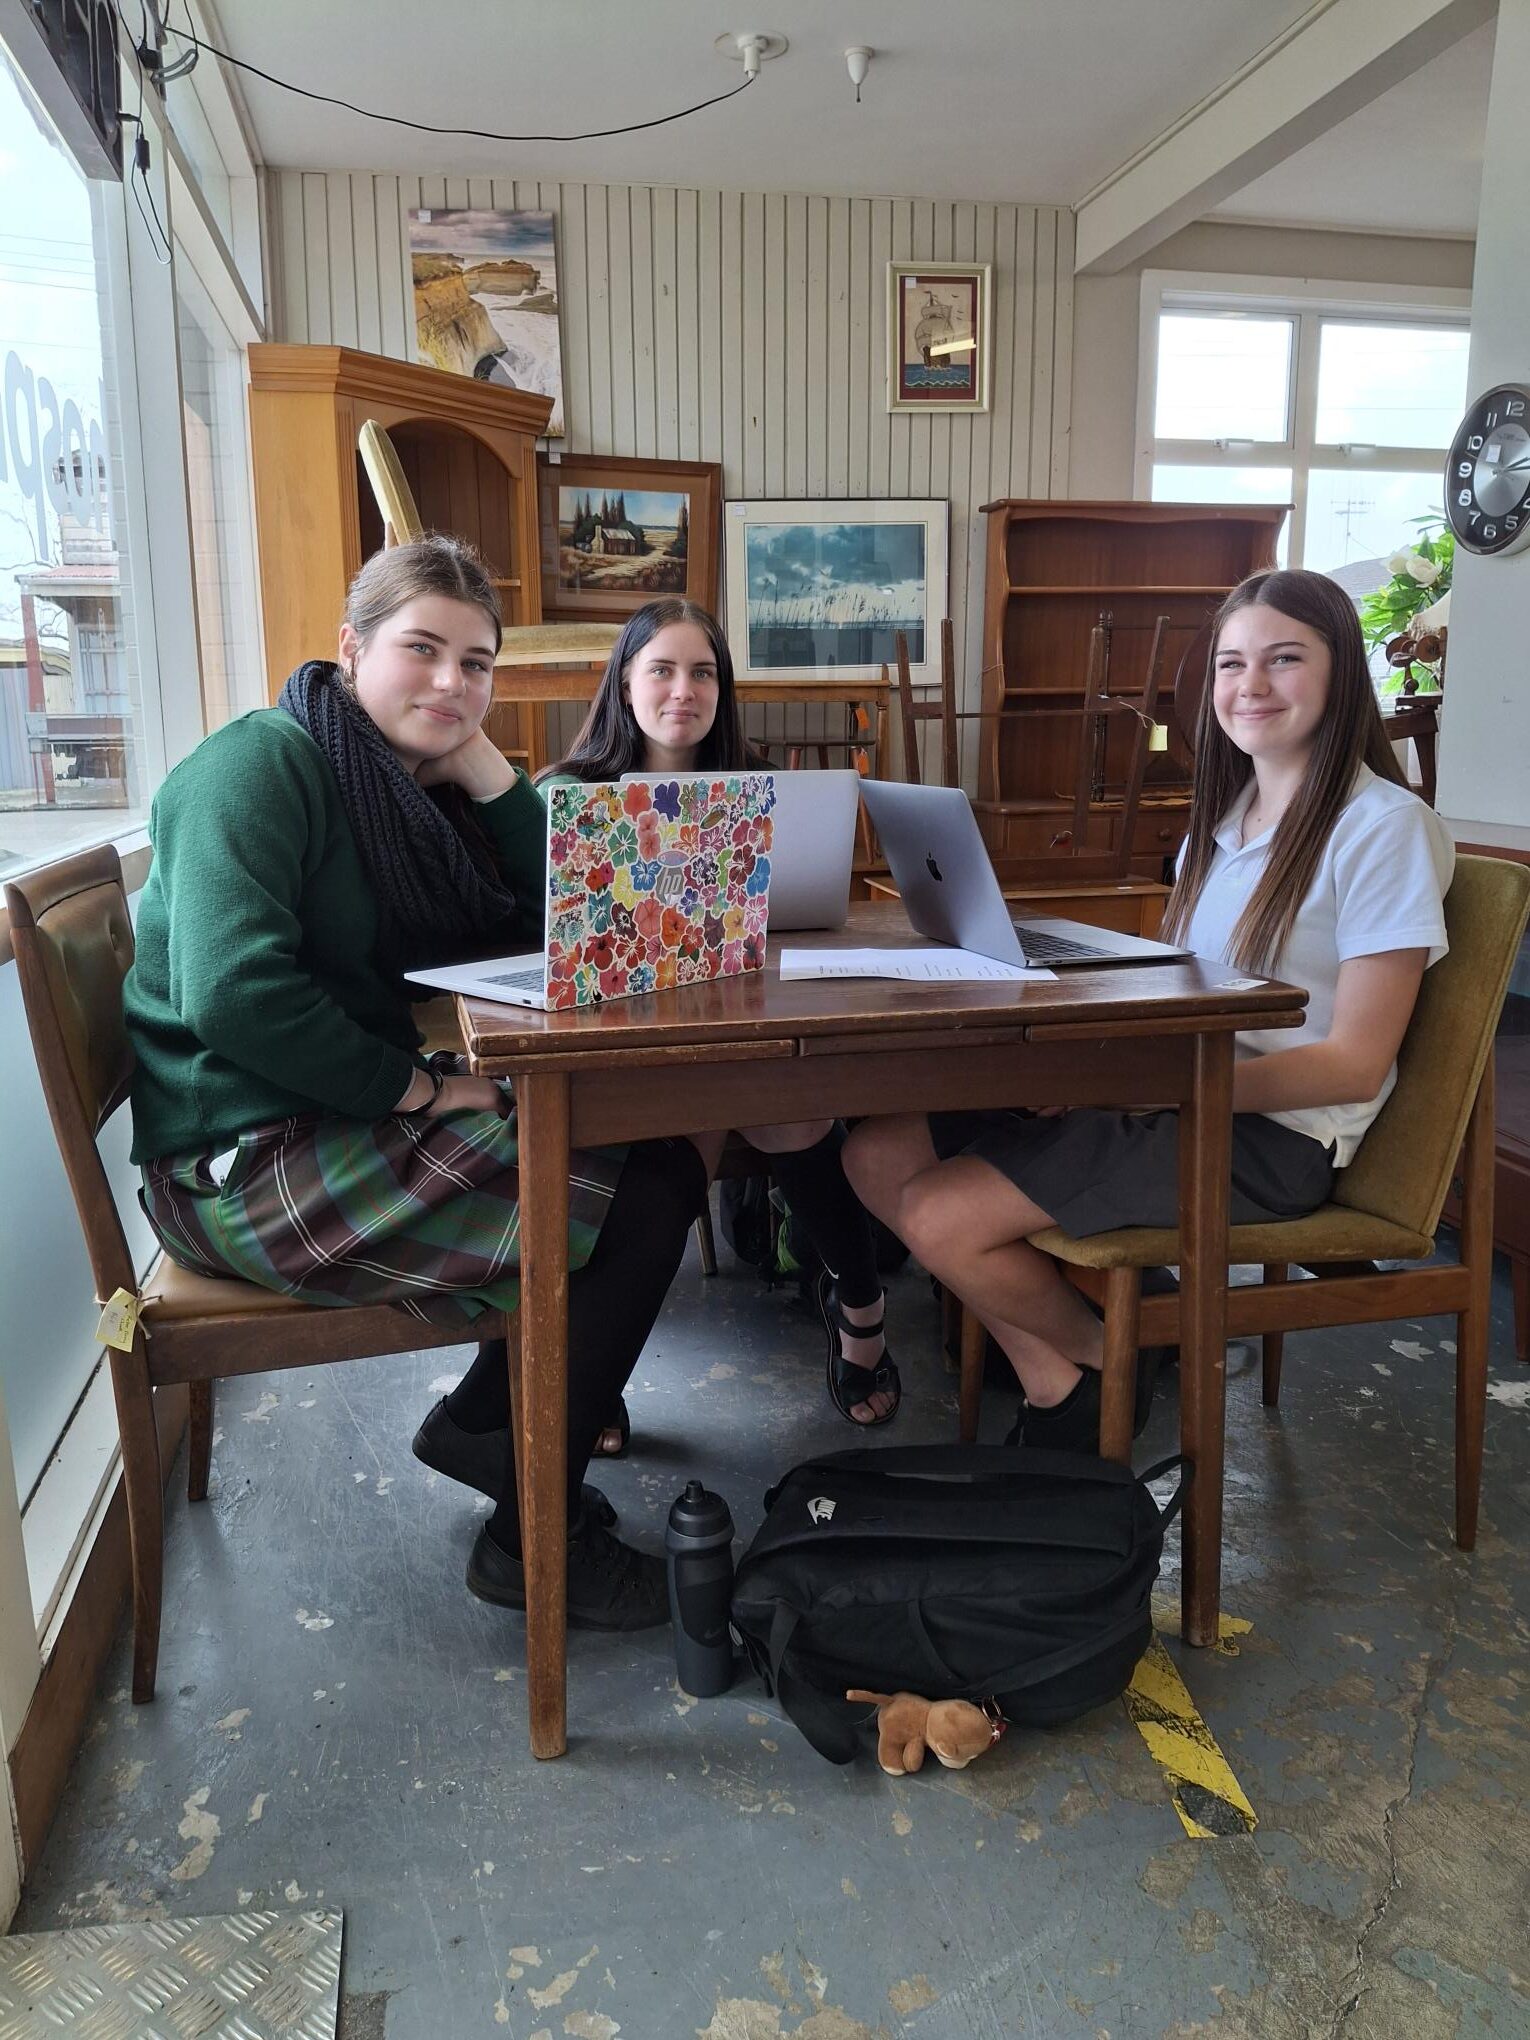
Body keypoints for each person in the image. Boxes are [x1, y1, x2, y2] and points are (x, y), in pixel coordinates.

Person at [125, 534, 709, 1631]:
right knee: (644, 1189)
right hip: (244, 1166)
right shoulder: (258, 765)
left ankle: (493, 1427)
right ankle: (532, 1535)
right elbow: (233, 997)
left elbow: (575, 916)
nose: (451, 682)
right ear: (351, 649)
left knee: (649, 1167)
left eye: (477, 664)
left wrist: (487, 770)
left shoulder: (389, 792)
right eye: (422, 650)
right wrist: (418, 1091)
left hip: (308, 1128)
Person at [843, 568, 1455, 1452]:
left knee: (942, 1213)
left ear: (1341, 671)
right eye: (1230, 664)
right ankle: (1091, 1368)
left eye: (1284, 660)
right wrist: (1090, 1059)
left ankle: (1105, 1368)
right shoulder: (1228, 818)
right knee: (877, 1150)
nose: (1250, 686)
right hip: (1176, 1092)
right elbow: (1181, 989)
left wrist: (1148, 1090)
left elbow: (1355, 1063)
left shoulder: (1382, 827)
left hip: (1271, 1135)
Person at [544, 596, 901, 1432]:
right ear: (624, 681)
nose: (683, 689)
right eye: (661, 669)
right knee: (684, 1144)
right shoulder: (569, 794)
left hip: (737, 1019)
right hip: (615, 1043)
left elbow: (802, 911)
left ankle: (862, 1307)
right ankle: (596, 1372)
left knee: (794, 1115)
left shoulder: (763, 785)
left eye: (702, 671)